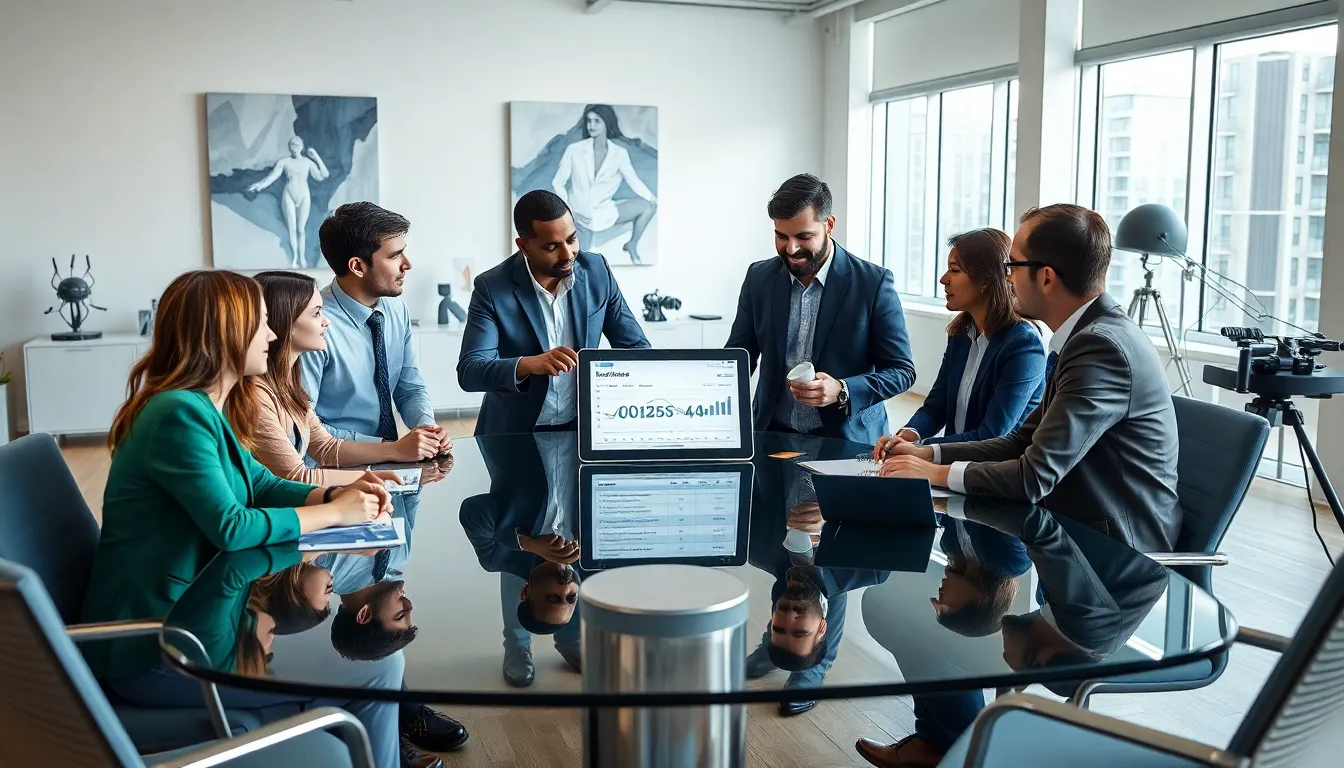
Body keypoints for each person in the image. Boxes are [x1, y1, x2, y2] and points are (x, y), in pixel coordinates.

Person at [79, 270, 401, 767]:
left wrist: (336, 490)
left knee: (373, 672)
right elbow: (230, 527)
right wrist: (335, 510)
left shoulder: (205, 408)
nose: (272, 336)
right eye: (262, 326)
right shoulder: (177, 414)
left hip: (198, 616)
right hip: (158, 647)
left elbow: (264, 485)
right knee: (379, 670)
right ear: (227, 334)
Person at [878, 204, 1181, 554]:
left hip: (1115, 556)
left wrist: (932, 474)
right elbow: (1020, 440)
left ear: (1047, 278)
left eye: (1013, 266)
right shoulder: (1087, 336)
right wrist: (927, 453)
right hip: (1071, 537)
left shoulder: (1100, 348)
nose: (1006, 278)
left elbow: (1032, 477)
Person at [727, 174, 916, 444]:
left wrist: (843, 389)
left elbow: (902, 371)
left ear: (829, 225)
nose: (791, 248)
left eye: (803, 237)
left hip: (848, 439)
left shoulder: (873, 283)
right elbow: (739, 357)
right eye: (781, 236)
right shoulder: (758, 277)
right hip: (772, 434)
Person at [458, 190, 650, 436]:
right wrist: (530, 364)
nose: (568, 254)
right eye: (552, 246)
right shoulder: (492, 287)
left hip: (582, 431)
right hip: (513, 434)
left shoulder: (597, 272)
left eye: (572, 240)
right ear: (524, 246)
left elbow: (636, 347)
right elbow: (470, 371)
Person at [249, 270, 440, 484]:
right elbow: (297, 476)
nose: (326, 322)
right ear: (285, 323)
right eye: (316, 313)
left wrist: (395, 451)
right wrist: (379, 476)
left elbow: (326, 447)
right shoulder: (257, 397)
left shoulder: (288, 384)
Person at [873, 229, 1045, 455]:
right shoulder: (961, 335)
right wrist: (906, 435)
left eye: (954, 270)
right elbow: (936, 408)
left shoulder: (1024, 346)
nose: (943, 279)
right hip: (954, 468)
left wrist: (920, 449)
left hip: (996, 476)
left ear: (985, 280)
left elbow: (992, 435)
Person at [301, 202, 450, 453]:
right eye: (394, 256)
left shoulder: (396, 308)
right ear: (357, 266)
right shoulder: (313, 323)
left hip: (392, 462)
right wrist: (386, 448)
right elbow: (304, 424)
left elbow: (409, 385)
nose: (407, 264)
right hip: (334, 468)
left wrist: (428, 429)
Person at [551, 104, 658, 263]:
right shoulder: (574, 150)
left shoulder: (619, 154)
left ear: (607, 123)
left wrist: (651, 198)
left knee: (648, 207)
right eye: (589, 121)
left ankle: (632, 245)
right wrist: (569, 211)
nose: (591, 125)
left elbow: (633, 180)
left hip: (605, 212)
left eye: (596, 121)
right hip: (578, 216)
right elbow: (558, 182)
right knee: (580, 266)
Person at [246, 136, 330, 268]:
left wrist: (316, 157)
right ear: (289, 147)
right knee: (292, 228)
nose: (294, 147)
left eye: (297, 145)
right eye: (292, 145)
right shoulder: (284, 162)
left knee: (301, 230)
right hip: (289, 195)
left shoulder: (307, 162)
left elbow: (323, 175)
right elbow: (272, 177)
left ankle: (302, 258)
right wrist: (259, 185)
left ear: (301, 146)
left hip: (303, 195)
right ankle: (295, 258)